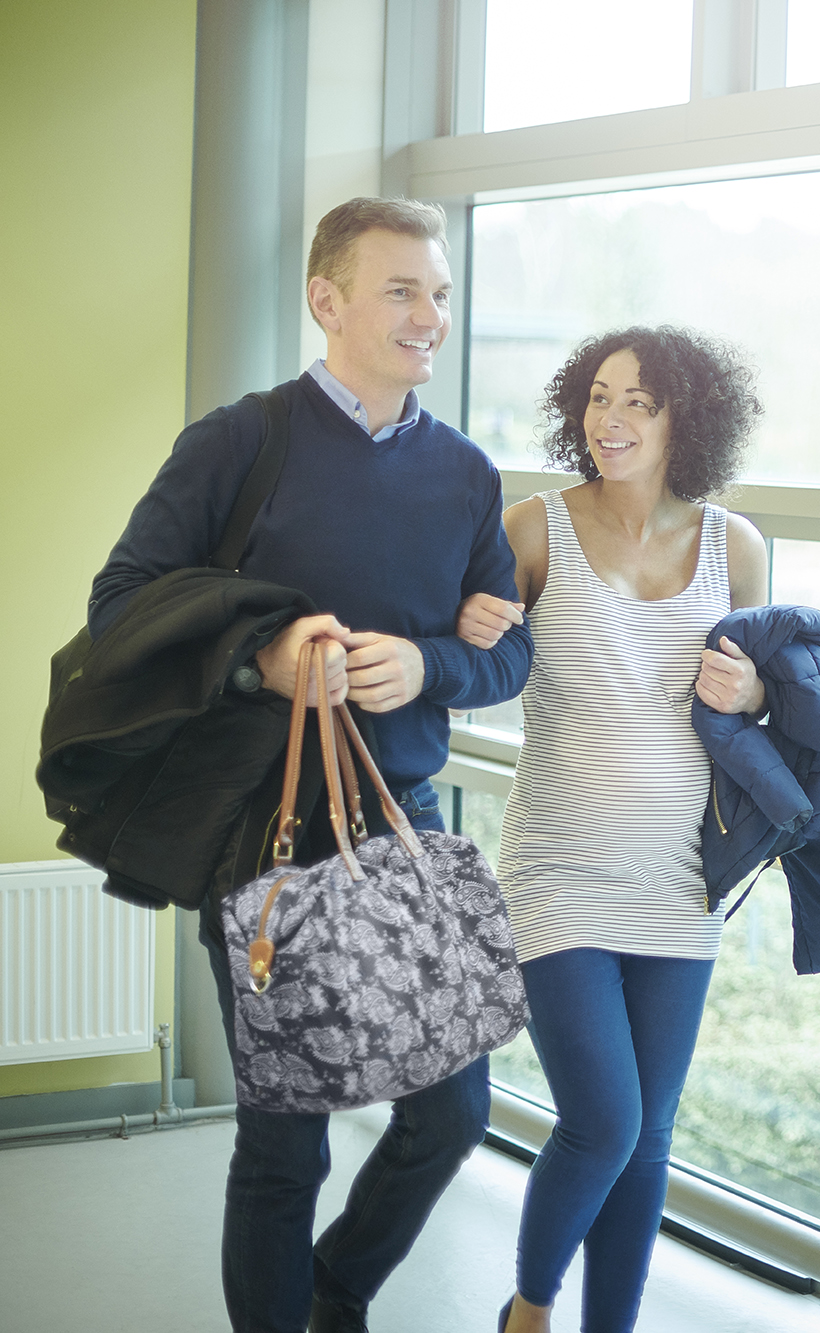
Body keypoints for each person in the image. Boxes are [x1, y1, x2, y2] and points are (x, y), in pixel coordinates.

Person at [88, 196, 533, 1333]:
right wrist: (270, 653)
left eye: (439, 291)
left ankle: (332, 1288)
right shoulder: (241, 441)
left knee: (453, 1113)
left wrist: (427, 665)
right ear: (325, 301)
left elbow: (505, 656)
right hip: (259, 829)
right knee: (284, 1143)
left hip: (405, 821)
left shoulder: (467, 474)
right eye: (401, 290)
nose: (430, 314)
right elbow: (122, 604)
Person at [453, 326, 768, 1333]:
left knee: (650, 1136)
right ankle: (532, 1306)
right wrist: (461, 629)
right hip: (557, 869)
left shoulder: (738, 545)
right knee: (605, 1119)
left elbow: (770, 708)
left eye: (640, 400)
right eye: (598, 396)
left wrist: (754, 685)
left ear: (690, 418)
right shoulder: (533, 527)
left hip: (682, 882)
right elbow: (481, 667)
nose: (612, 419)